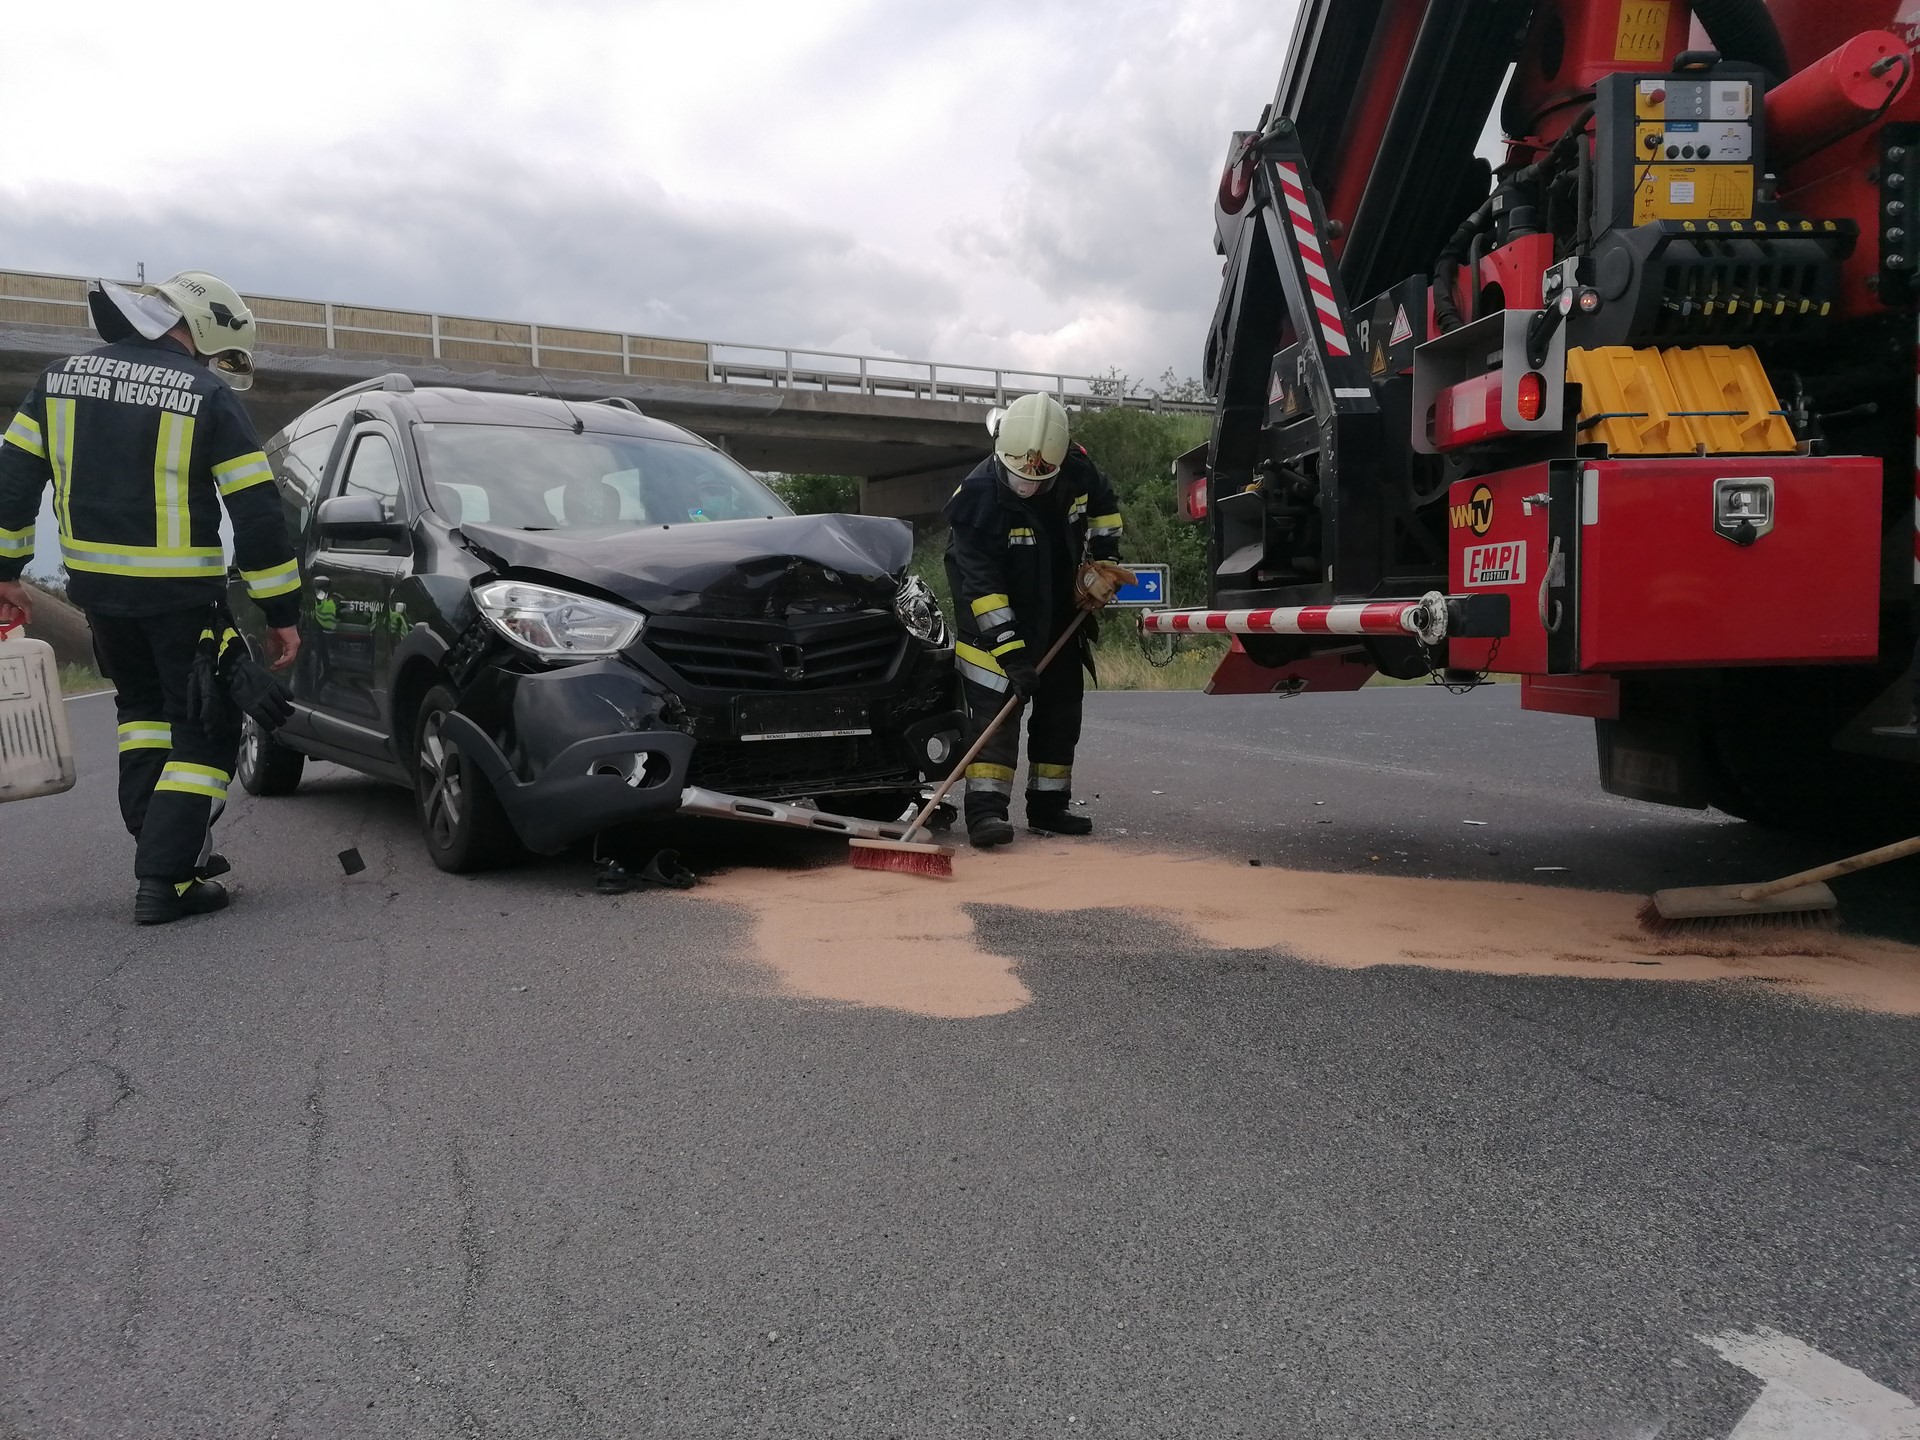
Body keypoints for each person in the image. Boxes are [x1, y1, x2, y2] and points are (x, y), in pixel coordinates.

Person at [0, 271, 302, 924]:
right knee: (205, 732)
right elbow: (256, 512)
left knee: (143, 718)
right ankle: (167, 880)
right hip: (181, 603)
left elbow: (14, 478)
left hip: (100, 599)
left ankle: (164, 842)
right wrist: (280, 610)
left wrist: (6, 571)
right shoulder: (206, 394)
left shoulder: (59, 379)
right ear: (207, 327)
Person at [943, 392, 1128, 848]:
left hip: (1060, 613)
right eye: (1019, 477)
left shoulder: (1077, 468)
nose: (1026, 487)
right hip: (991, 626)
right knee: (996, 717)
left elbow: (1104, 509)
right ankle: (985, 813)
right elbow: (982, 590)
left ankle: (1049, 806)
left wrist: (1105, 560)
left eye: (1039, 479)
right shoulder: (976, 499)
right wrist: (1013, 658)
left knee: (1061, 713)